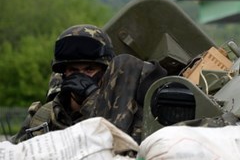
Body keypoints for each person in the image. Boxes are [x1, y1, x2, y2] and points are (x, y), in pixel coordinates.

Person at [11, 24, 167, 144]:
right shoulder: (43, 117)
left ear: (106, 73)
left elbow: (124, 148)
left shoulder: (128, 114)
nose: (81, 77)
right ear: (63, 74)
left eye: (89, 69)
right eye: (73, 70)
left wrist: (92, 98)